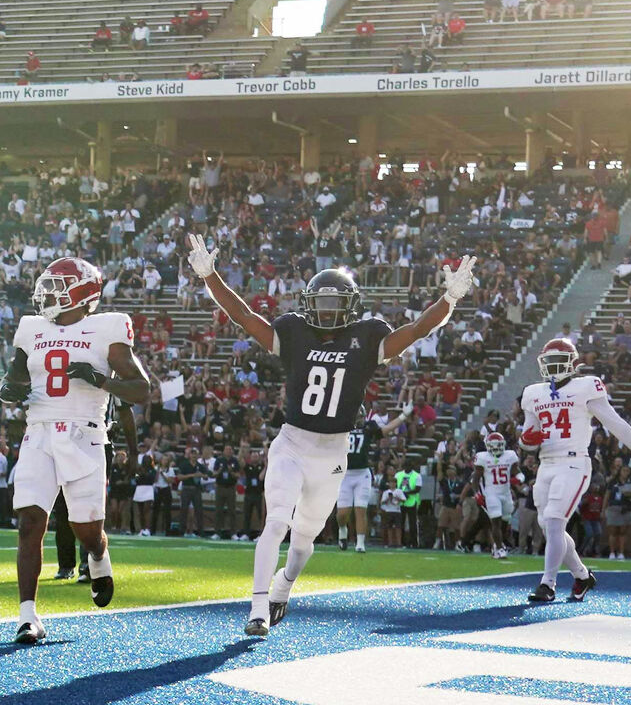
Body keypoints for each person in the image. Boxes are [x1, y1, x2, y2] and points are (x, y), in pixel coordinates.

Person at [186, 235, 476, 637]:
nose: (324, 314)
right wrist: (210, 277)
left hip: (332, 452)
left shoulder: (367, 337)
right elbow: (244, 316)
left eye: (333, 304)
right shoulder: (292, 331)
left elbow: (415, 330)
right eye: (319, 304)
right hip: (292, 442)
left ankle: (284, 585)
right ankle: (257, 609)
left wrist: (449, 301)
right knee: (276, 523)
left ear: (350, 307)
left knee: (304, 541)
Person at [0, 256, 154, 645]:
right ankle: (28, 615)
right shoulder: (32, 328)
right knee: (30, 522)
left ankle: (99, 555)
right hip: (38, 433)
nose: (46, 294)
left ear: (83, 293)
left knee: (86, 531)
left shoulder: (106, 328)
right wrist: (8, 391)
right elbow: (12, 379)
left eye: (57, 287)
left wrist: (100, 379)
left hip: (85, 434)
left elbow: (142, 389)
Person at [517, 338, 631, 602]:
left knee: (554, 520)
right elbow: (527, 437)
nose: (552, 367)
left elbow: (616, 424)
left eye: (557, 361)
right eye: (548, 362)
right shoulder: (533, 393)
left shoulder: (585, 386)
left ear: (572, 363)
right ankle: (582, 575)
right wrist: (525, 441)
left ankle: (548, 584)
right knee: (549, 526)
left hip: (574, 463)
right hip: (546, 464)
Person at [335, 402, 407, 553]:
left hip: (362, 474)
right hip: (345, 474)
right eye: (356, 416)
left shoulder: (369, 427)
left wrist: (403, 416)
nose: (358, 419)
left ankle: (360, 543)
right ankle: (342, 529)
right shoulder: (341, 427)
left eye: (360, 416)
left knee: (360, 509)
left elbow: (386, 430)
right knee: (342, 514)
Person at [465, 431, 519, 559]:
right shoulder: (483, 457)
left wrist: (519, 479)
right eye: (493, 445)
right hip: (492, 494)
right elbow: (475, 479)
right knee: (495, 522)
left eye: (498, 445)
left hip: (506, 493)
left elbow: (519, 473)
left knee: (505, 521)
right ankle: (500, 549)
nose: (495, 448)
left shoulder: (510, 455)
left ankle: (496, 545)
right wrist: (477, 493)